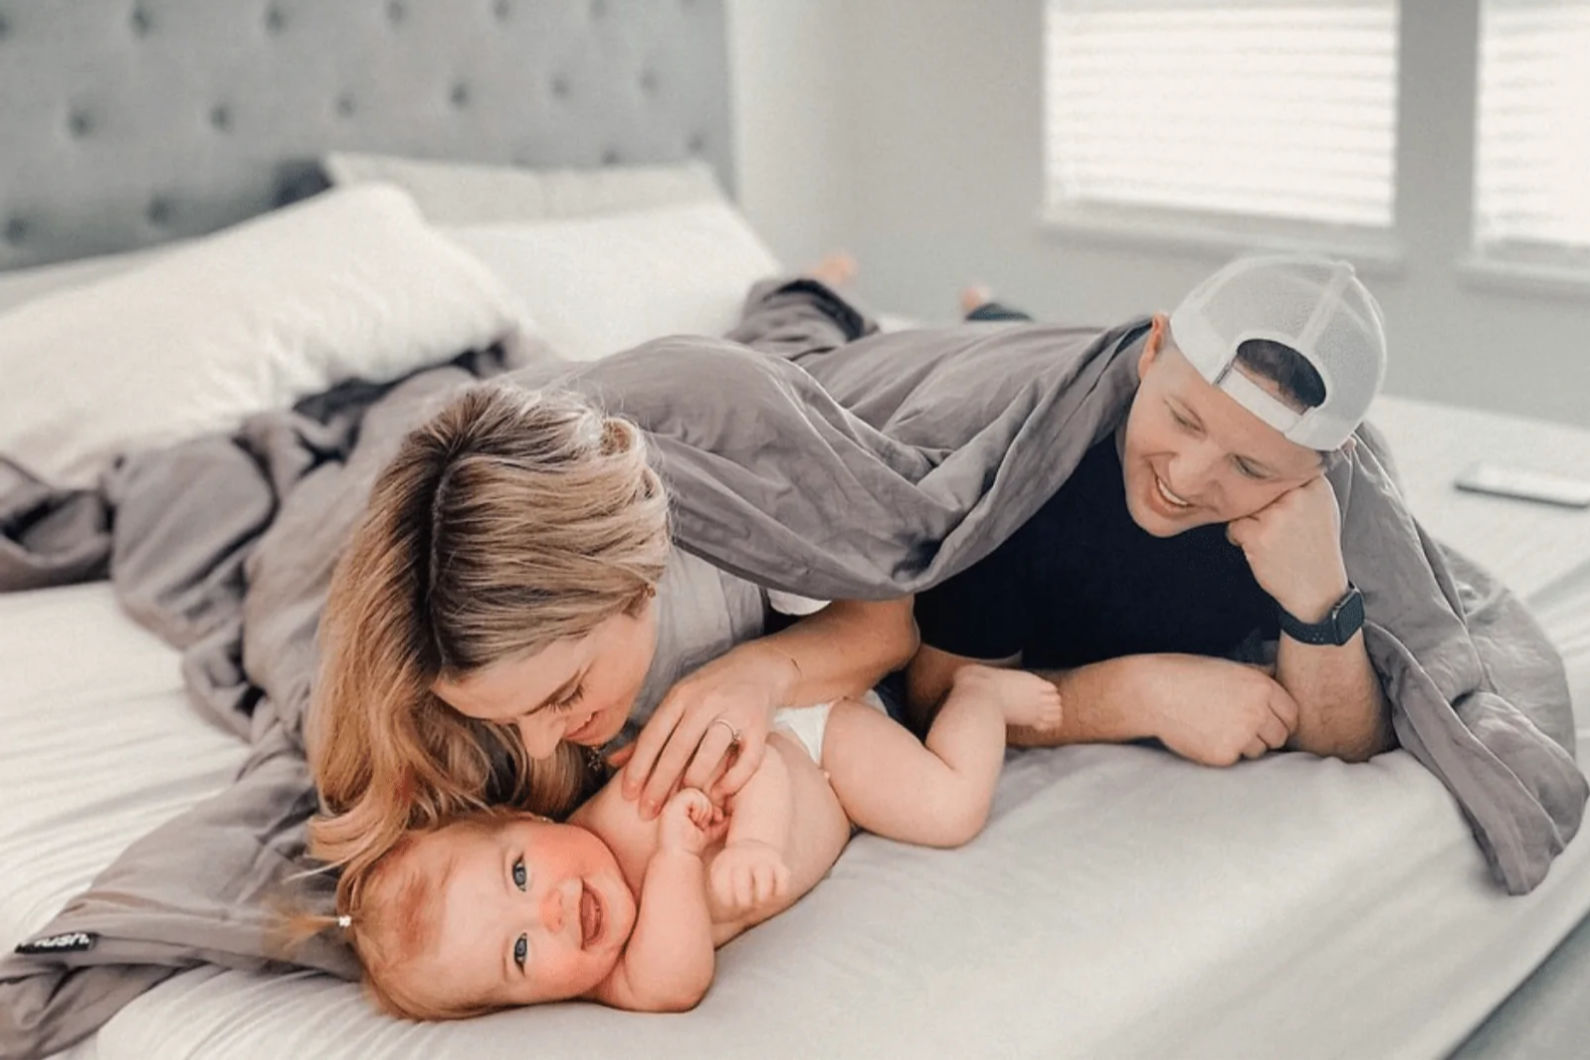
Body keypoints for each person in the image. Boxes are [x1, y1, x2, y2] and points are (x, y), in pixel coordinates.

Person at [307, 372, 919, 898]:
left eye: (566, 693)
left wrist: (763, 672)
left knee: (809, 339)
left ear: (634, 587)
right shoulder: (427, 674)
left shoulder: (734, 527)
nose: (542, 748)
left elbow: (889, 626)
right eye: (505, 719)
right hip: (484, 450)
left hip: (706, 405)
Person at [312, 664, 1059, 1018]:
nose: (552, 912)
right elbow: (680, 982)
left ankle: (976, 693)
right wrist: (678, 863)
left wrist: (753, 846)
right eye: (518, 954)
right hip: (837, 809)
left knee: (951, 807)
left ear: (531, 823)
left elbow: (753, 755)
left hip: (815, 746)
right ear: (522, 1002)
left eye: (518, 875)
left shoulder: (627, 809)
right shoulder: (618, 976)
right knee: (942, 810)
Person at [906, 254, 1394, 768]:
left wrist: (1319, 598)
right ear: (1153, 346)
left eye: (1249, 468)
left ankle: (989, 307)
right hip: (988, 363)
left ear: (1325, 464)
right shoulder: (1030, 466)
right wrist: (1139, 695)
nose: (1184, 480)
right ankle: (962, 305)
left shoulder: (1310, 510)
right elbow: (936, 695)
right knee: (821, 326)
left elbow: (1347, 745)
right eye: (1184, 419)